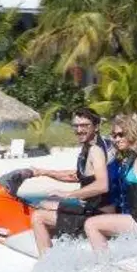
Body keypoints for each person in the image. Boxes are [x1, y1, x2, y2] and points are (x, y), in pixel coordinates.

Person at [28, 108, 113, 255]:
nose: (79, 130)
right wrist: (44, 172)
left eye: (85, 125)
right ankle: (60, 246)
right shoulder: (91, 147)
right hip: (92, 210)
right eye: (76, 126)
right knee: (43, 204)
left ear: (96, 127)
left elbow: (102, 185)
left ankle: (47, 265)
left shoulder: (95, 151)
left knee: (39, 217)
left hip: (97, 215)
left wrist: (68, 195)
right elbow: (77, 176)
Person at [84, 116, 137, 253]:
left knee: (91, 225)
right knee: (95, 217)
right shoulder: (124, 159)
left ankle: (104, 268)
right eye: (114, 135)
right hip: (133, 219)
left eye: (121, 135)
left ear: (131, 134)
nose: (117, 139)